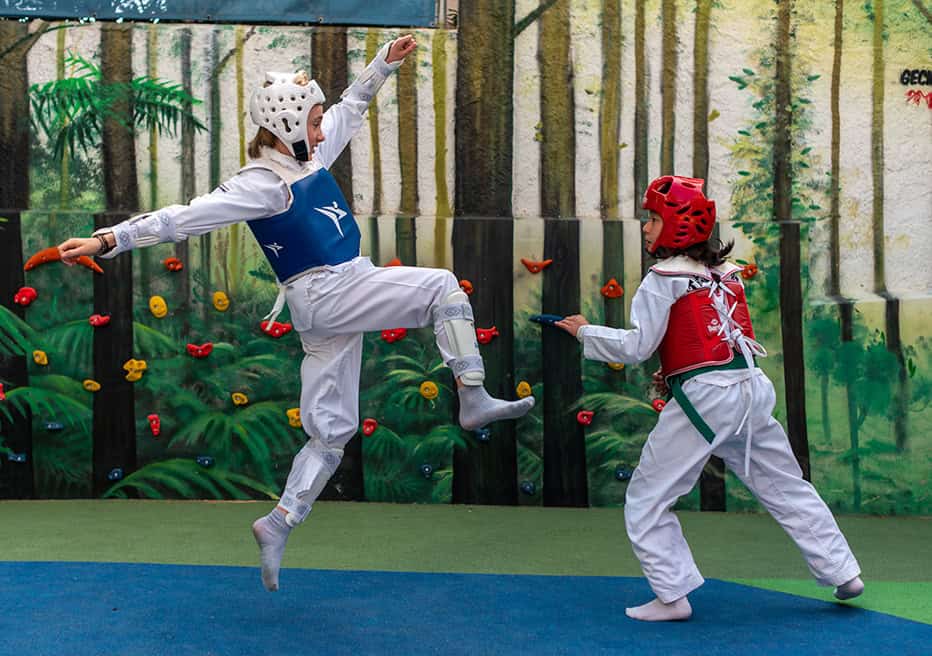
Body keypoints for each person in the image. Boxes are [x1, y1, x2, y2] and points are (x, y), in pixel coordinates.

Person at [57, 35, 534, 592]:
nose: (319, 128)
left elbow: (349, 111)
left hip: (330, 303)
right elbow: (183, 218)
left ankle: (279, 522)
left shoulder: (307, 156)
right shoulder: (260, 184)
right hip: (331, 292)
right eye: (310, 121)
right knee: (442, 287)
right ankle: (472, 396)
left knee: (332, 432)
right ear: (285, 125)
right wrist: (109, 238)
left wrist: (382, 66)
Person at [555, 175, 863, 622]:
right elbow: (710, 341)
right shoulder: (723, 275)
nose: (645, 228)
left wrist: (584, 331)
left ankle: (672, 595)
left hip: (708, 400)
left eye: (653, 219)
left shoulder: (663, 279)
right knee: (784, 485)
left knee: (647, 498)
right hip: (750, 391)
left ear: (676, 225)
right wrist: (676, 369)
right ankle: (843, 572)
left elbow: (636, 348)